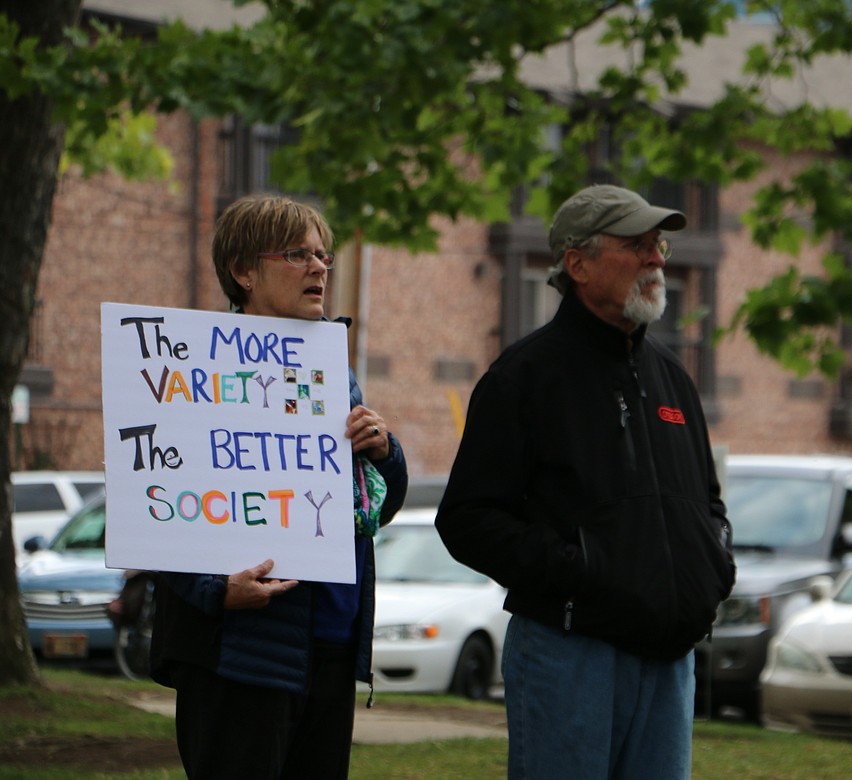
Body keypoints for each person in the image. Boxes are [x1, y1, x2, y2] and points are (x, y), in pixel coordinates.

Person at [436, 184, 736, 779]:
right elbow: (466, 519)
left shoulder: (673, 379)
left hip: (670, 661)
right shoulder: (525, 377)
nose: (656, 258)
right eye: (637, 245)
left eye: (660, 245)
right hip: (571, 655)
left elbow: (708, 502)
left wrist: (713, 566)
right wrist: (579, 571)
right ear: (578, 263)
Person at [149, 195, 408, 780]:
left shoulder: (332, 374)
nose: (319, 267)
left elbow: (376, 507)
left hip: (331, 645)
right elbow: (151, 504)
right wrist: (214, 590)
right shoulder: (191, 370)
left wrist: (384, 452)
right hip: (243, 653)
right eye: (297, 254)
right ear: (244, 271)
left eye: (324, 255)